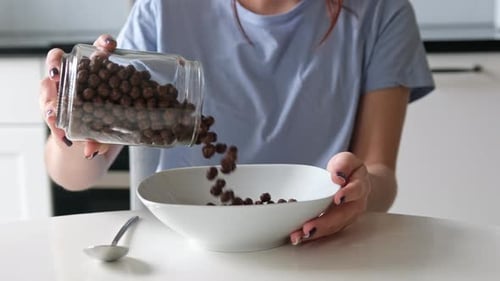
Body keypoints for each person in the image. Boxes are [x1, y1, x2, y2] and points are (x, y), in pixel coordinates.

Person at [40, 0, 434, 246]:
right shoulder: (163, 7)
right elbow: (76, 175)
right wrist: (70, 124)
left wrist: (359, 191)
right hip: (182, 248)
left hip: (314, 247)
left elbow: (379, 172)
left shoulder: (381, 11)